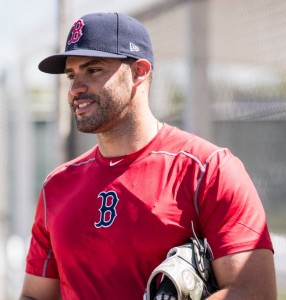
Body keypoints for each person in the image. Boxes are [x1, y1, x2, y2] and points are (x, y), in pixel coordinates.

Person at [20, 12, 276, 300]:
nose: (75, 88)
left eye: (92, 70)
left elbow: (256, 292)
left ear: (139, 71)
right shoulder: (57, 186)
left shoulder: (207, 170)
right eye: (71, 75)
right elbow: (36, 295)